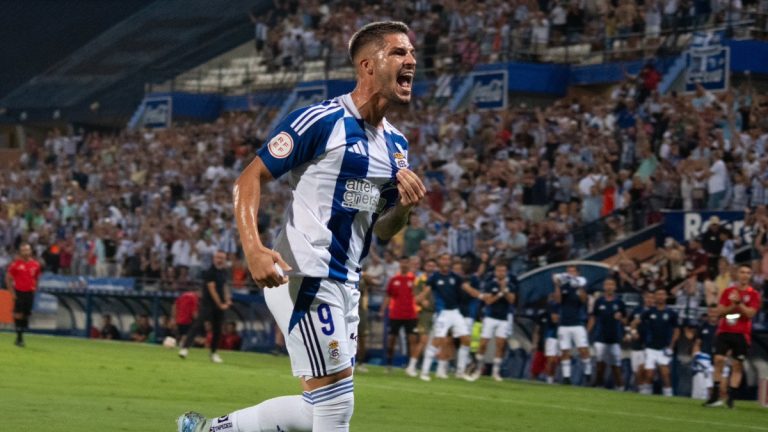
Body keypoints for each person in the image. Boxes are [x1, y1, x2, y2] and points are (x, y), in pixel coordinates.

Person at [178, 21, 426, 432]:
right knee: (336, 406)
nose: (412, 61)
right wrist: (253, 248)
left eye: (412, 53)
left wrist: (403, 210)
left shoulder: (397, 146)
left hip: (347, 285)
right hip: (304, 274)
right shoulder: (320, 120)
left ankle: (208, 430)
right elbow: (248, 179)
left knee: (318, 406)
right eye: (399, 52)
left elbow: (382, 231)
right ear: (367, 64)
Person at [419, 253, 484, 381]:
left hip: (455, 312)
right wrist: (419, 299)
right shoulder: (434, 277)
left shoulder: (456, 277)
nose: (446, 261)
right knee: (438, 341)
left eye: (448, 259)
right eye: (443, 258)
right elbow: (425, 292)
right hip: (442, 313)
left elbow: (468, 289)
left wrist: (481, 296)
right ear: (439, 261)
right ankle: (424, 372)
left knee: (466, 339)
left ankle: (460, 371)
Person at [705, 264, 762, 408]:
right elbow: (720, 311)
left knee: (737, 365)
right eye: (742, 272)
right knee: (718, 359)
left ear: (750, 276)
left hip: (742, 334)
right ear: (737, 274)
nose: (745, 275)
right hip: (725, 331)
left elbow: (750, 314)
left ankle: (731, 398)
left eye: (748, 273)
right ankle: (715, 395)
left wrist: (739, 303)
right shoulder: (728, 291)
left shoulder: (754, 294)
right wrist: (733, 305)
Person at [179, 250, 232, 363]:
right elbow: (212, 290)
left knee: (217, 330)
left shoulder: (224, 272)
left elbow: (224, 287)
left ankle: (213, 353)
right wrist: (221, 304)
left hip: (220, 305)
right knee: (197, 325)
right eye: (218, 257)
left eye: (222, 258)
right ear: (214, 258)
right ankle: (185, 348)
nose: (220, 260)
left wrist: (227, 300)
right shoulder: (209, 272)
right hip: (208, 304)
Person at [471, 263, 517, 381]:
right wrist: (501, 293)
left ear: (506, 272)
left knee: (500, 345)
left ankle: (496, 372)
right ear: (495, 272)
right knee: (483, 343)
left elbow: (512, 300)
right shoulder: (490, 284)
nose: (501, 273)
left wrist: (504, 290)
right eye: (499, 271)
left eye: (503, 271)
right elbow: (489, 301)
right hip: (490, 317)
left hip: (503, 319)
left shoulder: (511, 285)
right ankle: (478, 369)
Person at [553, 265, 592, 385]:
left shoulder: (581, 285)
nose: (570, 273)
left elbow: (584, 300)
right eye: (568, 271)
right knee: (565, 351)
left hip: (578, 323)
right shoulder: (564, 286)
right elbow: (558, 300)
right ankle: (566, 377)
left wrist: (579, 286)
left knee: (583, 350)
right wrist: (557, 285)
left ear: (578, 273)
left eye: (573, 271)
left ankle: (588, 372)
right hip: (564, 324)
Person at [636, 289, 679, 396]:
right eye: (658, 294)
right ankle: (646, 395)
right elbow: (635, 322)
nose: (660, 296)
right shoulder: (649, 312)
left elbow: (677, 330)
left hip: (664, 348)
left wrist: (672, 345)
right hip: (650, 347)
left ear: (666, 297)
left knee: (665, 374)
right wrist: (632, 332)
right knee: (649, 373)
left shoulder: (671, 313)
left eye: (662, 294)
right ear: (655, 297)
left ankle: (669, 396)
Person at [379, 256, 418, 371]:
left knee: (411, 339)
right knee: (391, 340)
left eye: (406, 263)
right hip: (395, 314)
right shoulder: (394, 279)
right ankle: (389, 364)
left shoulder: (414, 279)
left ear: (409, 264)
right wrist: (382, 310)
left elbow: (417, 294)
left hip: (410, 314)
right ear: (400, 264)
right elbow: (388, 295)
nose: (404, 265)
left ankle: (410, 366)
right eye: (402, 262)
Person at [587, 278, 626, 388]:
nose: (609, 287)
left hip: (614, 337)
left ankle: (620, 387)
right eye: (607, 284)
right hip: (600, 336)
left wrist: (620, 318)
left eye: (611, 284)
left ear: (615, 287)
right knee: (600, 362)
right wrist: (587, 331)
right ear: (604, 287)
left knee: (616, 365)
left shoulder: (620, 302)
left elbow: (625, 320)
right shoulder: (599, 301)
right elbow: (593, 318)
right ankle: (599, 384)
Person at [4, 243, 42, 347]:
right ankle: (19, 338)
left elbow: (37, 278)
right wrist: (12, 293)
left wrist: (35, 288)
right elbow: (8, 278)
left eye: (27, 250)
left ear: (30, 251)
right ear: (20, 252)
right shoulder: (15, 264)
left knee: (26, 315)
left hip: (30, 292)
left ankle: (20, 335)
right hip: (19, 291)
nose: (26, 252)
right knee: (18, 314)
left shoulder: (36, 264)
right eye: (23, 250)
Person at [627, 291, 654, 392]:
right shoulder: (637, 310)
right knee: (635, 371)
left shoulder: (655, 311)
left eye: (651, 298)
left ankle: (646, 390)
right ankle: (640, 389)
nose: (649, 300)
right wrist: (632, 333)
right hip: (636, 345)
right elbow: (630, 324)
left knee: (642, 369)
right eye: (647, 297)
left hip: (648, 345)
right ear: (644, 298)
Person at [691, 307, 718, 400]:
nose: (713, 314)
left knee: (721, 387)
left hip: (719, 359)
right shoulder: (703, 326)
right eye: (711, 312)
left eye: (715, 312)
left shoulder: (723, 327)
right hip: (705, 359)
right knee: (705, 386)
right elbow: (697, 343)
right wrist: (695, 356)